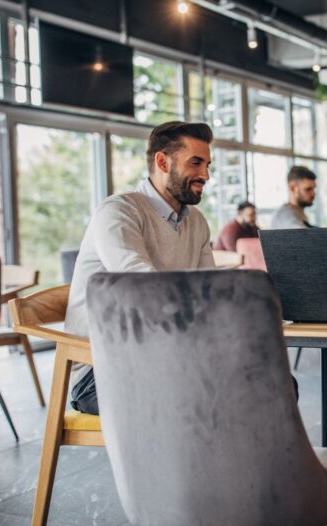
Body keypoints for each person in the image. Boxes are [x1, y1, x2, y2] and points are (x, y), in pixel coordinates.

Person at [65, 121, 217, 415]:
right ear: (162, 161)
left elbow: (209, 290)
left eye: (208, 164)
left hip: (166, 354)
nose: (206, 175)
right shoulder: (119, 211)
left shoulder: (196, 222)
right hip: (100, 370)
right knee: (211, 396)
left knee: (274, 382)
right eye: (196, 163)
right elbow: (144, 289)